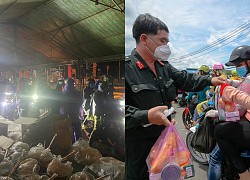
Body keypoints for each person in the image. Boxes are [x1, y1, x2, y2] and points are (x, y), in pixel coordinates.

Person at [125, 13, 226, 180]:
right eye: (162, 41)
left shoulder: (163, 66)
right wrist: (146, 116)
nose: (166, 46)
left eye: (167, 41)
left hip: (166, 143)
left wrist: (211, 80)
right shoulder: (127, 69)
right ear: (144, 39)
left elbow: (186, 79)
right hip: (140, 149)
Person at [212, 45, 250, 180]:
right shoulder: (246, 77)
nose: (237, 68)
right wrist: (228, 81)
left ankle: (243, 174)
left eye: (239, 65)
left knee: (219, 131)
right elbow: (241, 82)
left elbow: (239, 110)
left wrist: (217, 114)